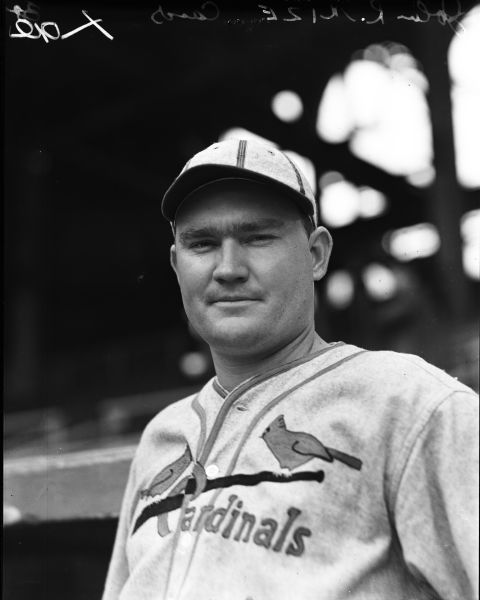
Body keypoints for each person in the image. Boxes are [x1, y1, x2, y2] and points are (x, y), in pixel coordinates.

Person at [102, 139, 479, 600]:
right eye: (202, 244)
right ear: (177, 265)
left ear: (317, 254)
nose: (228, 268)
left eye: (258, 237)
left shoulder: (414, 405)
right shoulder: (162, 436)